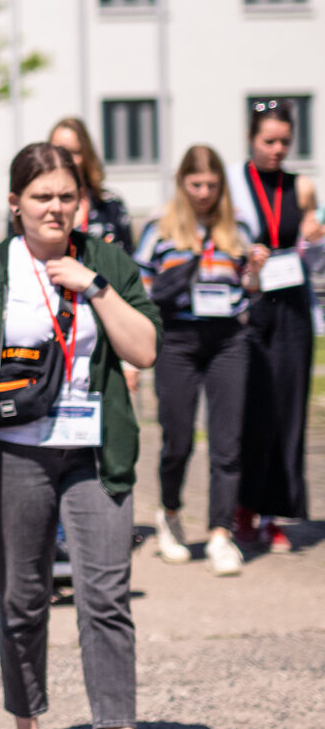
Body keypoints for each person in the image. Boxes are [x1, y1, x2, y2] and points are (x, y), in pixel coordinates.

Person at [0, 142, 168, 729]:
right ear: (14, 204)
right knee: (22, 598)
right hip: (16, 451)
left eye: (65, 196)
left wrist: (92, 288)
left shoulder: (104, 260)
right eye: (41, 196)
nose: (55, 207)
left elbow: (144, 348)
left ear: (80, 202)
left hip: (93, 452)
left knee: (106, 596)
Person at [134, 146, 260, 576]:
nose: (204, 193)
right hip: (178, 339)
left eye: (211, 185)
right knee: (178, 438)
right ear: (182, 183)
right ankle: (170, 513)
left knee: (227, 442)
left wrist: (255, 271)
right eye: (196, 184)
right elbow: (140, 287)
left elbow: (251, 288)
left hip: (228, 338)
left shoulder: (238, 228)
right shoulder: (159, 228)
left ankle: (221, 534)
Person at [226, 100, 325, 551]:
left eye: (285, 141)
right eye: (269, 141)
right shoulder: (234, 185)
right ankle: (239, 507)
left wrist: (314, 238)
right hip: (249, 305)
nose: (278, 149)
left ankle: (272, 513)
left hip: (291, 309)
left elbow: (315, 260)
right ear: (251, 138)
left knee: (288, 412)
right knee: (249, 408)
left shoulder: (302, 187)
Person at [49, 116, 134, 253]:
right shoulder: (30, 204)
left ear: (86, 155)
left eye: (74, 152)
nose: (66, 159)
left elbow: (128, 260)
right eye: (60, 151)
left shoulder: (109, 204)